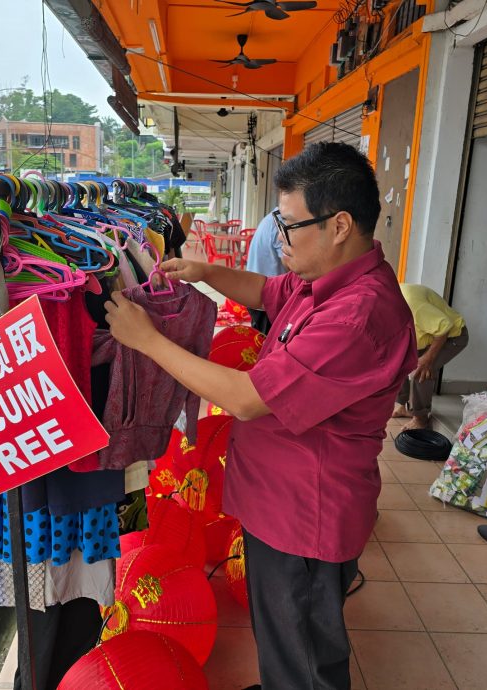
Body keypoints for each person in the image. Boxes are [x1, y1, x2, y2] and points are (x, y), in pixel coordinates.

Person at [104, 141, 417, 690]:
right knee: (283, 633)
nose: (278, 237)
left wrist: (149, 341)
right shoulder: (323, 279)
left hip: (306, 514)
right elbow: (268, 291)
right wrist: (203, 270)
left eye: (290, 224)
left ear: (339, 225)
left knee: (305, 651)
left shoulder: (356, 315)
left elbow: (247, 397)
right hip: (280, 500)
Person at [392, 283, 469, 431]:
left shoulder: (413, 307)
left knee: (421, 371)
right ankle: (405, 407)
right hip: (427, 334)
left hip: (452, 336)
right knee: (398, 362)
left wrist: (428, 358)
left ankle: (420, 419)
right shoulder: (390, 300)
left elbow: (444, 326)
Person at [245, 208, 286, 334]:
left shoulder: (272, 217)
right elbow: (290, 264)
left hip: (257, 290)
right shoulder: (281, 220)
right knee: (265, 341)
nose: (281, 237)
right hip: (266, 297)